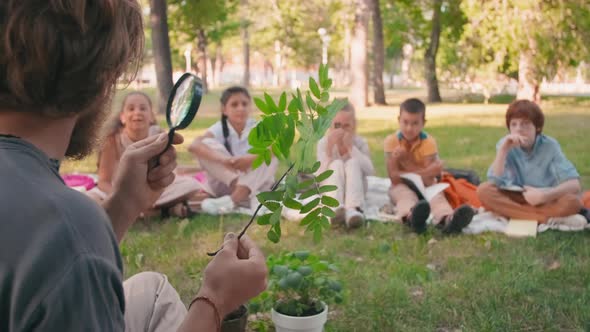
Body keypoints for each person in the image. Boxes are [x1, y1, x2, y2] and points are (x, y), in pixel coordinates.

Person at [0, 1, 267, 331]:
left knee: (151, 291)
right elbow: (66, 250)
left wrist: (124, 204)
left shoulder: (56, 225)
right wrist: (214, 300)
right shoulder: (65, 226)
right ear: (98, 80)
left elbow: (46, 263)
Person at [88, 91, 201, 218]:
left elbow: (166, 176)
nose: (137, 112)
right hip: (120, 191)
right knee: (90, 199)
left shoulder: (159, 135)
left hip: (152, 192)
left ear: (151, 116)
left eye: (143, 108)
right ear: (122, 117)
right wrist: (122, 198)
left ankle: (140, 212)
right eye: (131, 109)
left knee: (192, 185)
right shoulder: (112, 140)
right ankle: (160, 212)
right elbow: (103, 182)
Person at [477, 99, 587, 227]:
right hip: (516, 195)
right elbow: (494, 182)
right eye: (514, 124)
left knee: (573, 202)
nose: (518, 129)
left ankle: (507, 213)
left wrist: (544, 196)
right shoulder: (505, 145)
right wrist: (503, 151)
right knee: (483, 190)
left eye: (525, 124)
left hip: (544, 198)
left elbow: (575, 185)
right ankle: (545, 219)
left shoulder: (550, 146)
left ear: (538, 127)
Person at [384, 98, 475, 234]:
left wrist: (407, 161)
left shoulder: (428, 142)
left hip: (426, 185)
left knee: (436, 196)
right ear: (399, 120)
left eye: (415, 123)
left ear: (423, 123)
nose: (409, 128)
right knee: (404, 196)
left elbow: (427, 180)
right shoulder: (391, 141)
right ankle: (411, 218)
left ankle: (447, 219)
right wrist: (426, 171)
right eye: (405, 122)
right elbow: (394, 179)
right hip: (401, 186)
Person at [189, 86, 278, 215]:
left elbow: (276, 147)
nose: (240, 108)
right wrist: (224, 160)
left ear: (250, 107)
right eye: (234, 105)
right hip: (228, 183)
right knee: (205, 144)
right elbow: (194, 145)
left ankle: (233, 200)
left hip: (254, 181)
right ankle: (246, 195)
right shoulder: (219, 128)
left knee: (272, 154)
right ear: (224, 110)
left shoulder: (257, 127)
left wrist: (250, 159)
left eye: (244, 104)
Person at [316, 103, 374, 228]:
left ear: (354, 126)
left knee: (352, 163)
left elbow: (370, 170)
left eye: (346, 126)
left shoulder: (360, 142)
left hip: (356, 191)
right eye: (337, 125)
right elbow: (318, 177)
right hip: (331, 190)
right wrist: (329, 152)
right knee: (336, 164)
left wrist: (351, 149)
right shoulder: (323, 143)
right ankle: (334, 208)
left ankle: (353, 210)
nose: (341, 130)